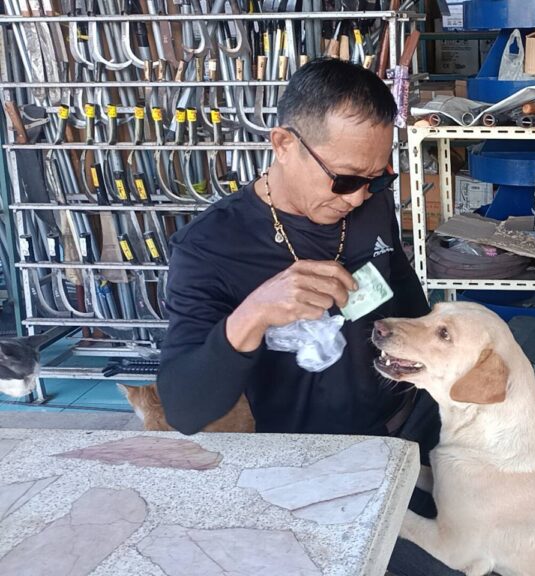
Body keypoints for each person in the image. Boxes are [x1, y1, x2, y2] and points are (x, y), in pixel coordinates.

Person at [156, 58, 457, 576]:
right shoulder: (210, 248)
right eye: (345, 179)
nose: (358, 197)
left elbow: (406, 295)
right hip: (316, 462)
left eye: (377, 179)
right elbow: (184, 409)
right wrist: (252, 315)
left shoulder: (368, 205)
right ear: (283, 144)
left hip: (414, 426)